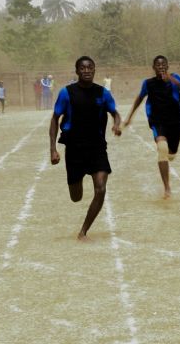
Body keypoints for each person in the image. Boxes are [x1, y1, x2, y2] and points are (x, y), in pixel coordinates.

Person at [49, 56, 122, 241]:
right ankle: (77, 182)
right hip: (74, 149)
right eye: (83, 68)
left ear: (94, 70)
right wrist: (53, 149)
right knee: (76, 196)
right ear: (77, 71)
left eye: (90, 67)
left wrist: (116, 124)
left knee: (101, 189)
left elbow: (115, 113)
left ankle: (83, 232)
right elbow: (55, 118)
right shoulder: (67, 93)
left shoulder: (103, 93)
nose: (87, 70)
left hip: (97, 148)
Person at [124, 55, 180, 199]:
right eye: (158, 65)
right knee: (162, 149)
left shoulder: (175, 78)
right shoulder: (148, 83)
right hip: (157, 121)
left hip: (175, 121)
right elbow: (139, 99)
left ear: (167, 66)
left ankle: (170, 155)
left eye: (163, 64)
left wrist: (175, 82)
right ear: (153, 67)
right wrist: (129, 117)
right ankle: (167, 188)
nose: (161, 67)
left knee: (171, 154)